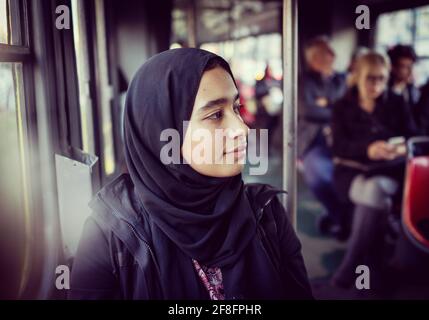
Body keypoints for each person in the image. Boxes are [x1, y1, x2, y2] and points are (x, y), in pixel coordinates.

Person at [69, 48, 312, 300]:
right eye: (216, 115)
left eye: (236, 108)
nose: (242, 129)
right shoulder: (110, 234)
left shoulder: (266, 212)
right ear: (163, 131)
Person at [331, 51, 418, 289]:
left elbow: (413, 137)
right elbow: (338, 146)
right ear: (358, 76)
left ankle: (352, 263)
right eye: (371, 78)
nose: (376, 85)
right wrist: (368, 149)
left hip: (388, 170)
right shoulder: (342, 106)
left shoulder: (397, 103)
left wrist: (398, 148)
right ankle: (374, 265)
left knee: (374, 192)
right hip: (352, 171)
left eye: (381, 78)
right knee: (378, 199)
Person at [298, 36, 348, 239]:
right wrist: (333, 106)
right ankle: (342, 217)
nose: (333, 55)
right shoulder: (304, 81)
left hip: (342, 139)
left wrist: (326, 104)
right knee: (319, 177)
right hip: (313, 140)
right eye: (327, 52)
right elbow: (307, 110)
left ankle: (345, 217)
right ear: (314, 59)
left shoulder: (341, 79)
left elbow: (346, 108)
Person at [387, 45, 420, 121]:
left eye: (411, 66)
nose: (410, 71)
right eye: (405, 67)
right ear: (393, 67)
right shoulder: (383, 90)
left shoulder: (413, 89)